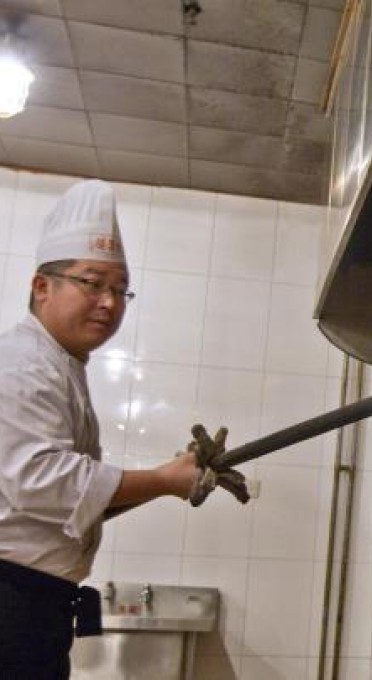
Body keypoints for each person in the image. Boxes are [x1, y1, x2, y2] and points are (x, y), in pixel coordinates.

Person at [0, 180, 241, 679]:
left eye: (119, 288)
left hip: (32, 607)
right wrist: (161, 479)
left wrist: (171, 480)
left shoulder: (61, 365)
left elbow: (64, 508)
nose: (109, 302)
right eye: (92, 282)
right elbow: (44, 481)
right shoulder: (22, 364)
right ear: (41, 286)